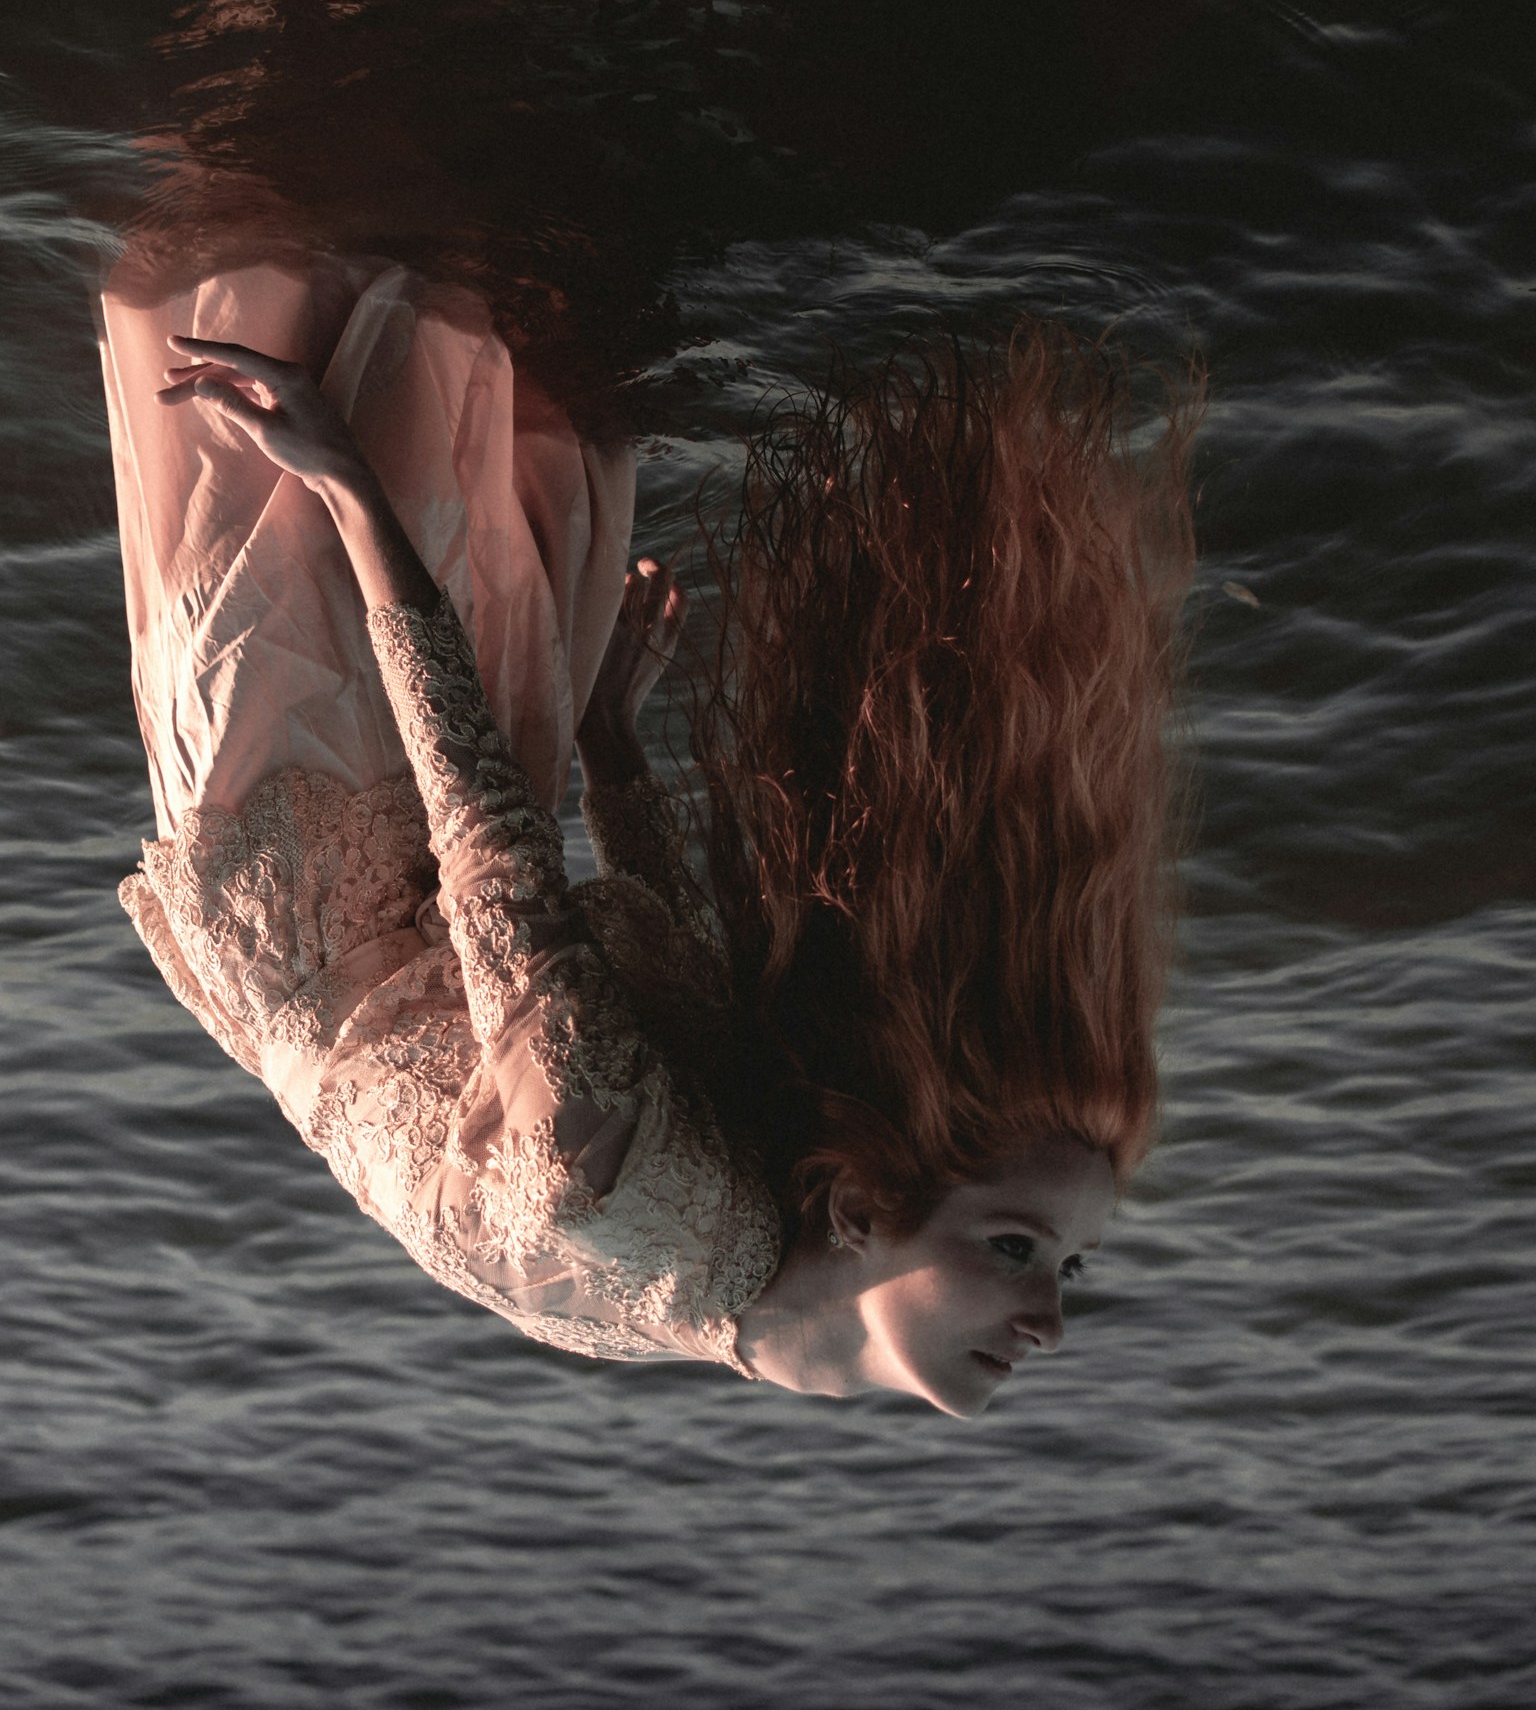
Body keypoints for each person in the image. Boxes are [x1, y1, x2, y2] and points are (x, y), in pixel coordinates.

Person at [99, 251, 1195, 1412]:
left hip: (317, 873)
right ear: (854, 1210)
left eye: (1029, 1252)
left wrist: (352, 496)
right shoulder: (714, 1238)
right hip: (422, 853)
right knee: (446, 332)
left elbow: (512, 890)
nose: (1050, 1323)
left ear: (860, 1213)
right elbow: (622, 967)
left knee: (289, 285)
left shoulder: (647, 1214)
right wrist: (610, 746)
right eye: (1043, 1257)